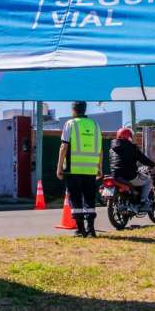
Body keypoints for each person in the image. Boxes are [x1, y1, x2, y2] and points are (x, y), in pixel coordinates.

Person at [56, 101, 103, 237]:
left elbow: (64, 147)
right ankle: (91, 229)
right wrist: (99, 167)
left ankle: (80, 229)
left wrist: (59, 167)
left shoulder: (70, 124)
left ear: (73, 110)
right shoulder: (95, 125)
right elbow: (100, 149)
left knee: (75, 199)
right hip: (90, 170)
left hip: (73, 169)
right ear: (85, 109)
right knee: (90, 199)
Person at [109, 127, 155, 210]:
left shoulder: (111, 149)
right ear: (129, 137)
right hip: (129, 176)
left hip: (116, 176)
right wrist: (153, 165)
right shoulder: (132, 147)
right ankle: (143, 202)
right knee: (148, 180)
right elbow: (143, 159)